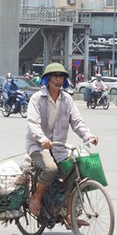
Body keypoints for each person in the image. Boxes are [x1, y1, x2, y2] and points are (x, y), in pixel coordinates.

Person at [25, 62, 99, 225]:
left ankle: (69, 213)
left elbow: (77, 122)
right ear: (47, 79)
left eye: (61, 77)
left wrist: (88, 136)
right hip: (38, 146)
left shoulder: (67, 100)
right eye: (54, 76)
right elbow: (32, 123)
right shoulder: (37, 99)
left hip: (59, 148)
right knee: (50, 169)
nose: (58, 80)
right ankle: (36, 197)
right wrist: (41, 139)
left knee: (76, 173)